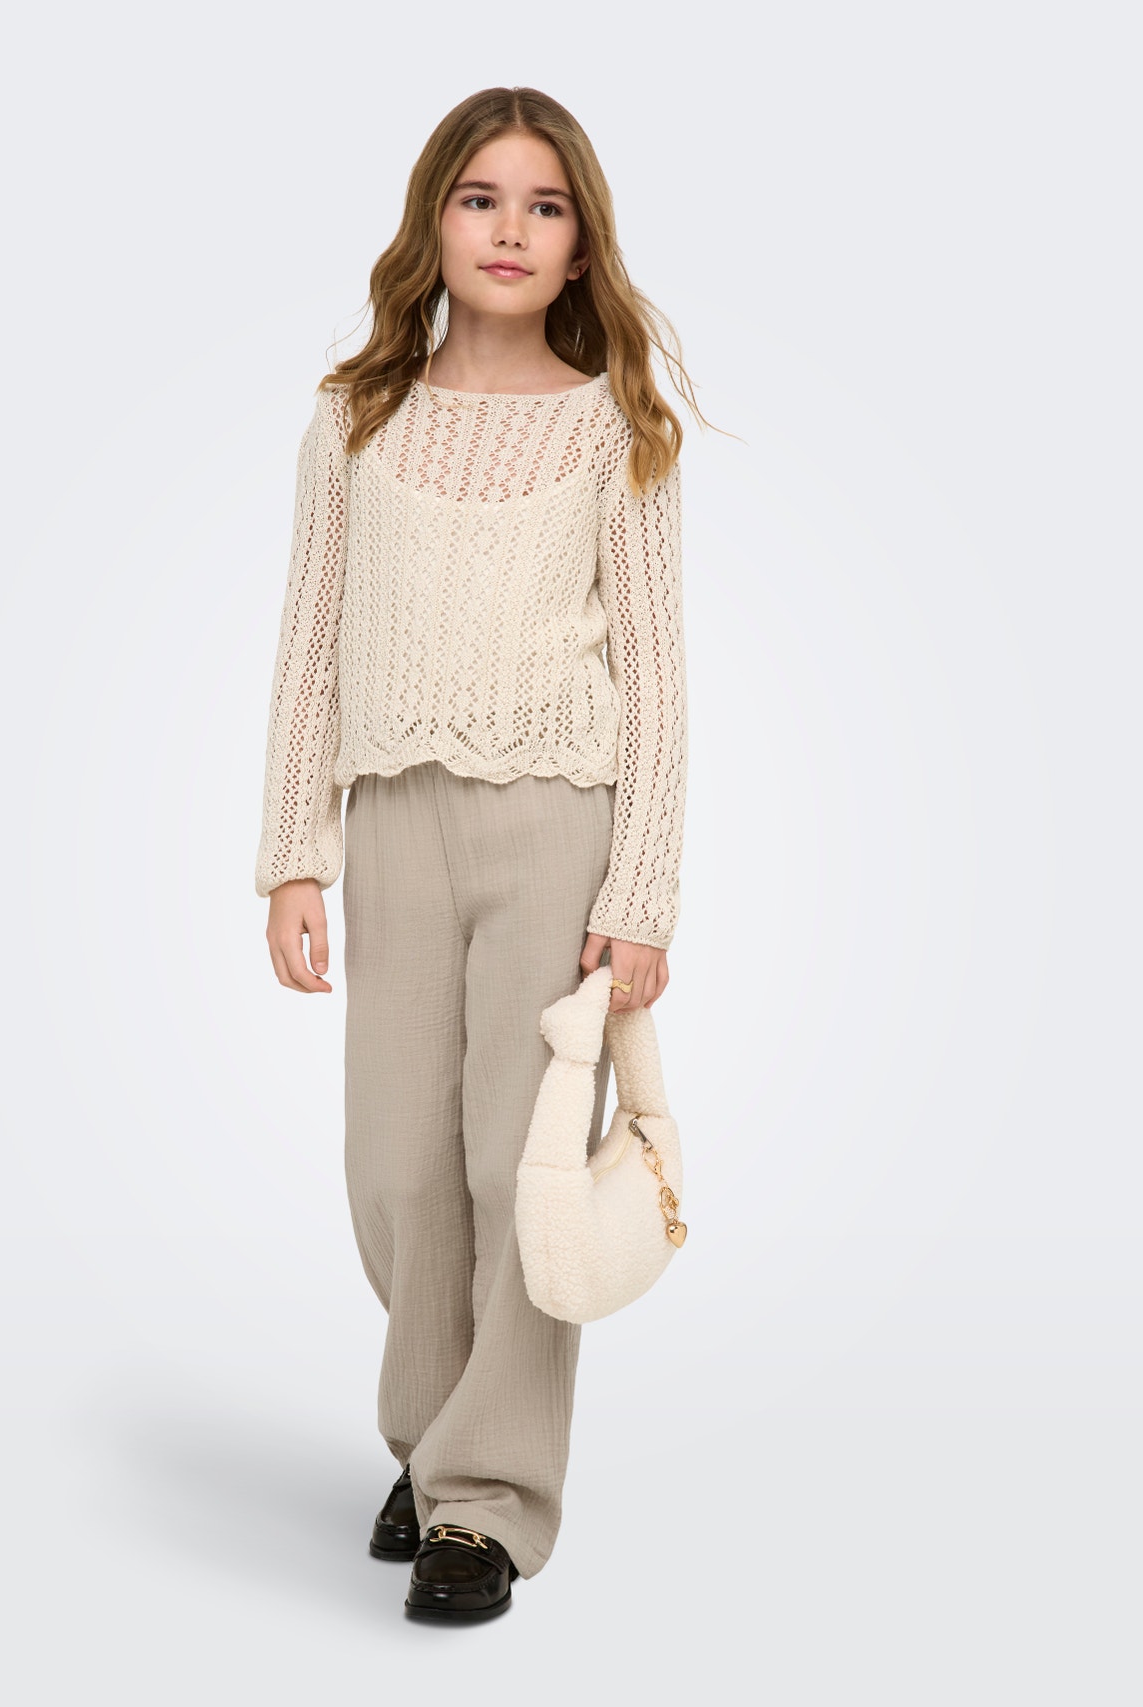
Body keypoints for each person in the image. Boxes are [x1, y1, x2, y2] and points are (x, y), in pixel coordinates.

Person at [255, 84, 710, 1622]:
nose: (511, 229)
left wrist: (641, 893)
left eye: (545, 205)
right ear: (434, 224)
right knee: (397, 1166)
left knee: (516, 1167)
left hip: (556, 828)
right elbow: (308, 647)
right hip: (393, 824)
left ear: (580, 245)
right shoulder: (355, 418)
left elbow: (657, 679)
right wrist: (294, 855)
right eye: (481, 198)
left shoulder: (614, 427)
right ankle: (433, 1434)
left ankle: (486, 1504)